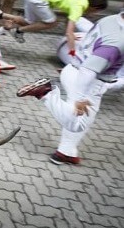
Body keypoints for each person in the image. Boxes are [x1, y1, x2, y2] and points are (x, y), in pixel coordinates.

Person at [17, 11, 124, 165]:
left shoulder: (112, 19)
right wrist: (80, 99)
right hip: (87, 80)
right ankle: (46, 93)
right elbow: (88, 70)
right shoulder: (117, 42)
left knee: (79, 118)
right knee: (77, 124)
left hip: (74, 68)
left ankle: (66, 152)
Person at [0, 0, 107, 48]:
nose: (95, 14)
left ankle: (1, 15)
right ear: (96, 8)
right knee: (52, 22)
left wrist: (72, 34)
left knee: (29, 22)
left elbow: (69, 21)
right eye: (97, 12)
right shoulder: (79, 7)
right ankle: (18, 31)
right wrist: (72, 51)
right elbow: (68, 32)